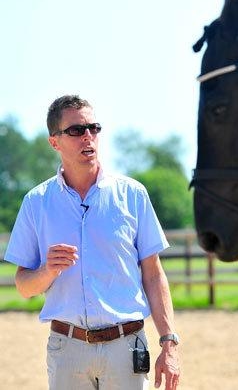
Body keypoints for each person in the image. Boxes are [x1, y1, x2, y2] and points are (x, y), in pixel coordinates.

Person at [4, 95, 181, 389]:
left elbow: (153, 274)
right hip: (67, 350)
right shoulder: (36, 203)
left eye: (93, 128)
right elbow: (24, 286)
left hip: (127, 348)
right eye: (76, 130)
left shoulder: (133, 195)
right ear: (54, 142)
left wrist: (169, 342)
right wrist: (48, 270)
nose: (88, 136)